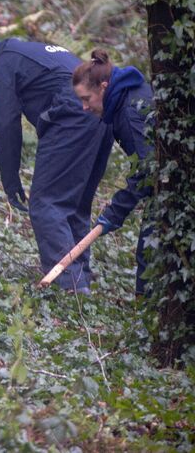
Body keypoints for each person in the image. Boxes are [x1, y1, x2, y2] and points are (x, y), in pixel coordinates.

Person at [0, 37, 113, 293]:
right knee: (75, 204)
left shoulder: (2, 61)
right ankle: (80, 283)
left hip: (72, 114)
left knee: (46, 204)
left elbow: (6, 125)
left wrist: (10, 182)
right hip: (103, 111)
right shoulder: (26, 51)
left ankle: (70, 288)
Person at [72, 50, 155, 296]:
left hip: (176, 189)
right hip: (170, 182)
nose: (84, 107)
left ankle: (149, 325)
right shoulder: (129, 92)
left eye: (87, 98)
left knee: (150, 256)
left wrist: (115, 213)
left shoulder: (130, 113)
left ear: (104, 87)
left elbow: (147, 170)